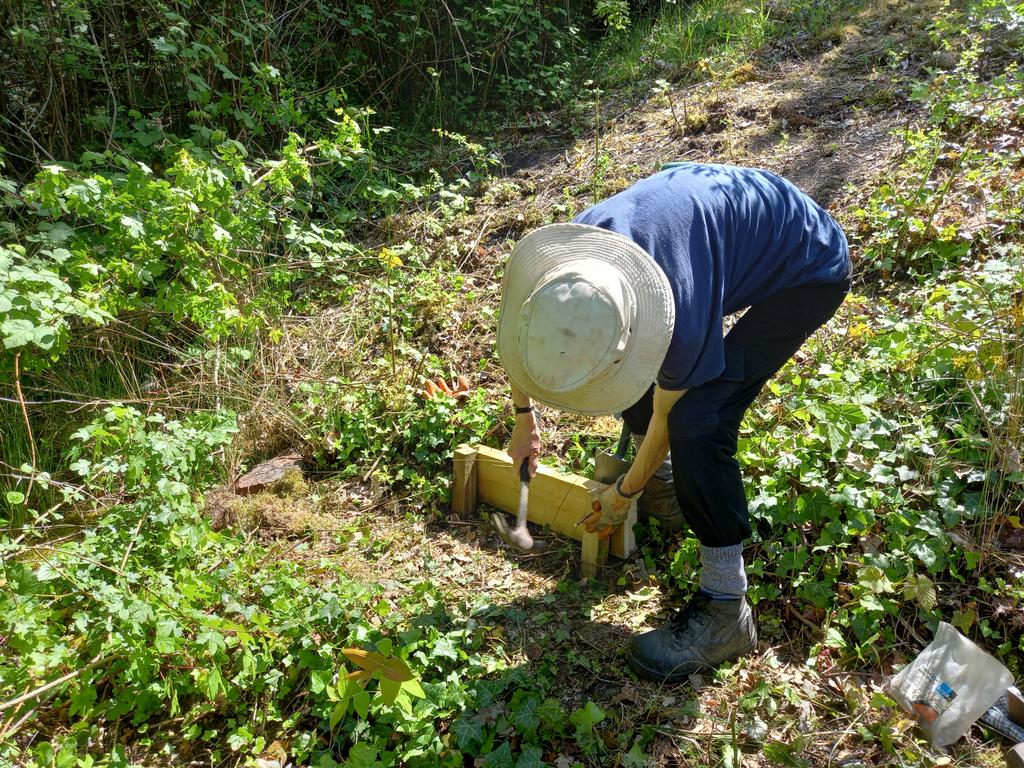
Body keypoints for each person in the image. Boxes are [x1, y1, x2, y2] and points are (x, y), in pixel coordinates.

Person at [497, 162, 851, 683]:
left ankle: (726, 607)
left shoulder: (678, 312)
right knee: (654, 392)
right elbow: (523, 341)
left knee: (699, 420)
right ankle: (667, 495)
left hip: (807, 266)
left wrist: (624, 491)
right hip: (723, 236)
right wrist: (524, 420)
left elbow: (668, 413)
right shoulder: (563, 269)